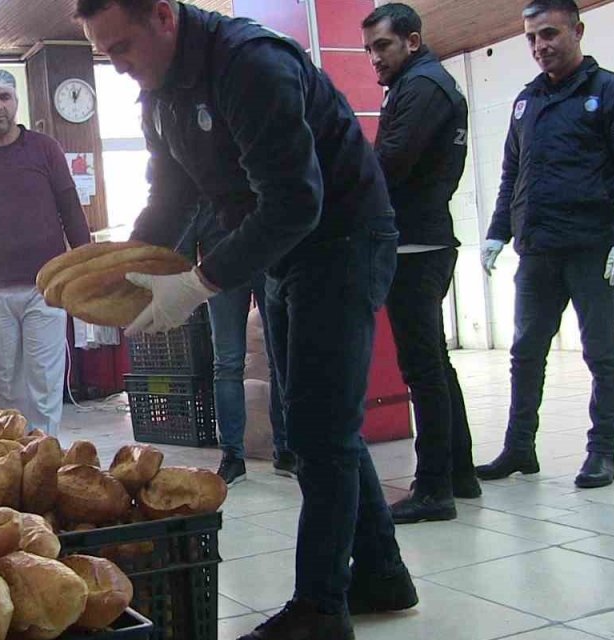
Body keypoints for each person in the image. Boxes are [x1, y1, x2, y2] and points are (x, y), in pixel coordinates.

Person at [77, 1, 415, 637]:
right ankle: (381, 572)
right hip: (288, 253)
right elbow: (171, 196)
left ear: (162, 16)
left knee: (318, 430)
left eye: (121, 47)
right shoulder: (161, 92)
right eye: (105, 54)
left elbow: (296, 201)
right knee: (322, 419)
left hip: (343, 240)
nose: (117, 66)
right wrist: (127, 274)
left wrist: (200, 283)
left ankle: (321, 609)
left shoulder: (249, 64)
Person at [477, 0, 614, 489]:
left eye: (550, 34)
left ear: (577, 30)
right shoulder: (525, 101)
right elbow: (514, 172)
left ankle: (603, 451)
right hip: (538, 250)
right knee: (525, 351)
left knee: (601, 352)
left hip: (592, 249)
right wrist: (497, 231)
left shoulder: (613, 93)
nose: (540, 46)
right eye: (532, 38)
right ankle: (518, 447)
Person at [361, 3, 479, 525]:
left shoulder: (423, 87)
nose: (374, 59)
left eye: (382, 47)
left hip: (417, 245)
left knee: (423, 368)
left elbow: (391, 162)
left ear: (411, 40)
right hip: (424, 240)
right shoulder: (420, 84)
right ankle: (458, 472)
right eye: (368, 49)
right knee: (434, 363)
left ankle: (434, 487)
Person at [0, 69, 91, 434]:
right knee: (7, 385)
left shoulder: (45, 150)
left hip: (46, 287)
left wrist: (89, 271)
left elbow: (71, 211)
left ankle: (44, 458)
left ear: (16, 102)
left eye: (4, 97)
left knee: (43, 382)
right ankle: (14, 460)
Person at [177, 203, 294, 484]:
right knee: (234, 362)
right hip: (227, 256)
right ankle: (239, 454)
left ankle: (279, 449)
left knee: (270, 358)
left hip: (253, 252)